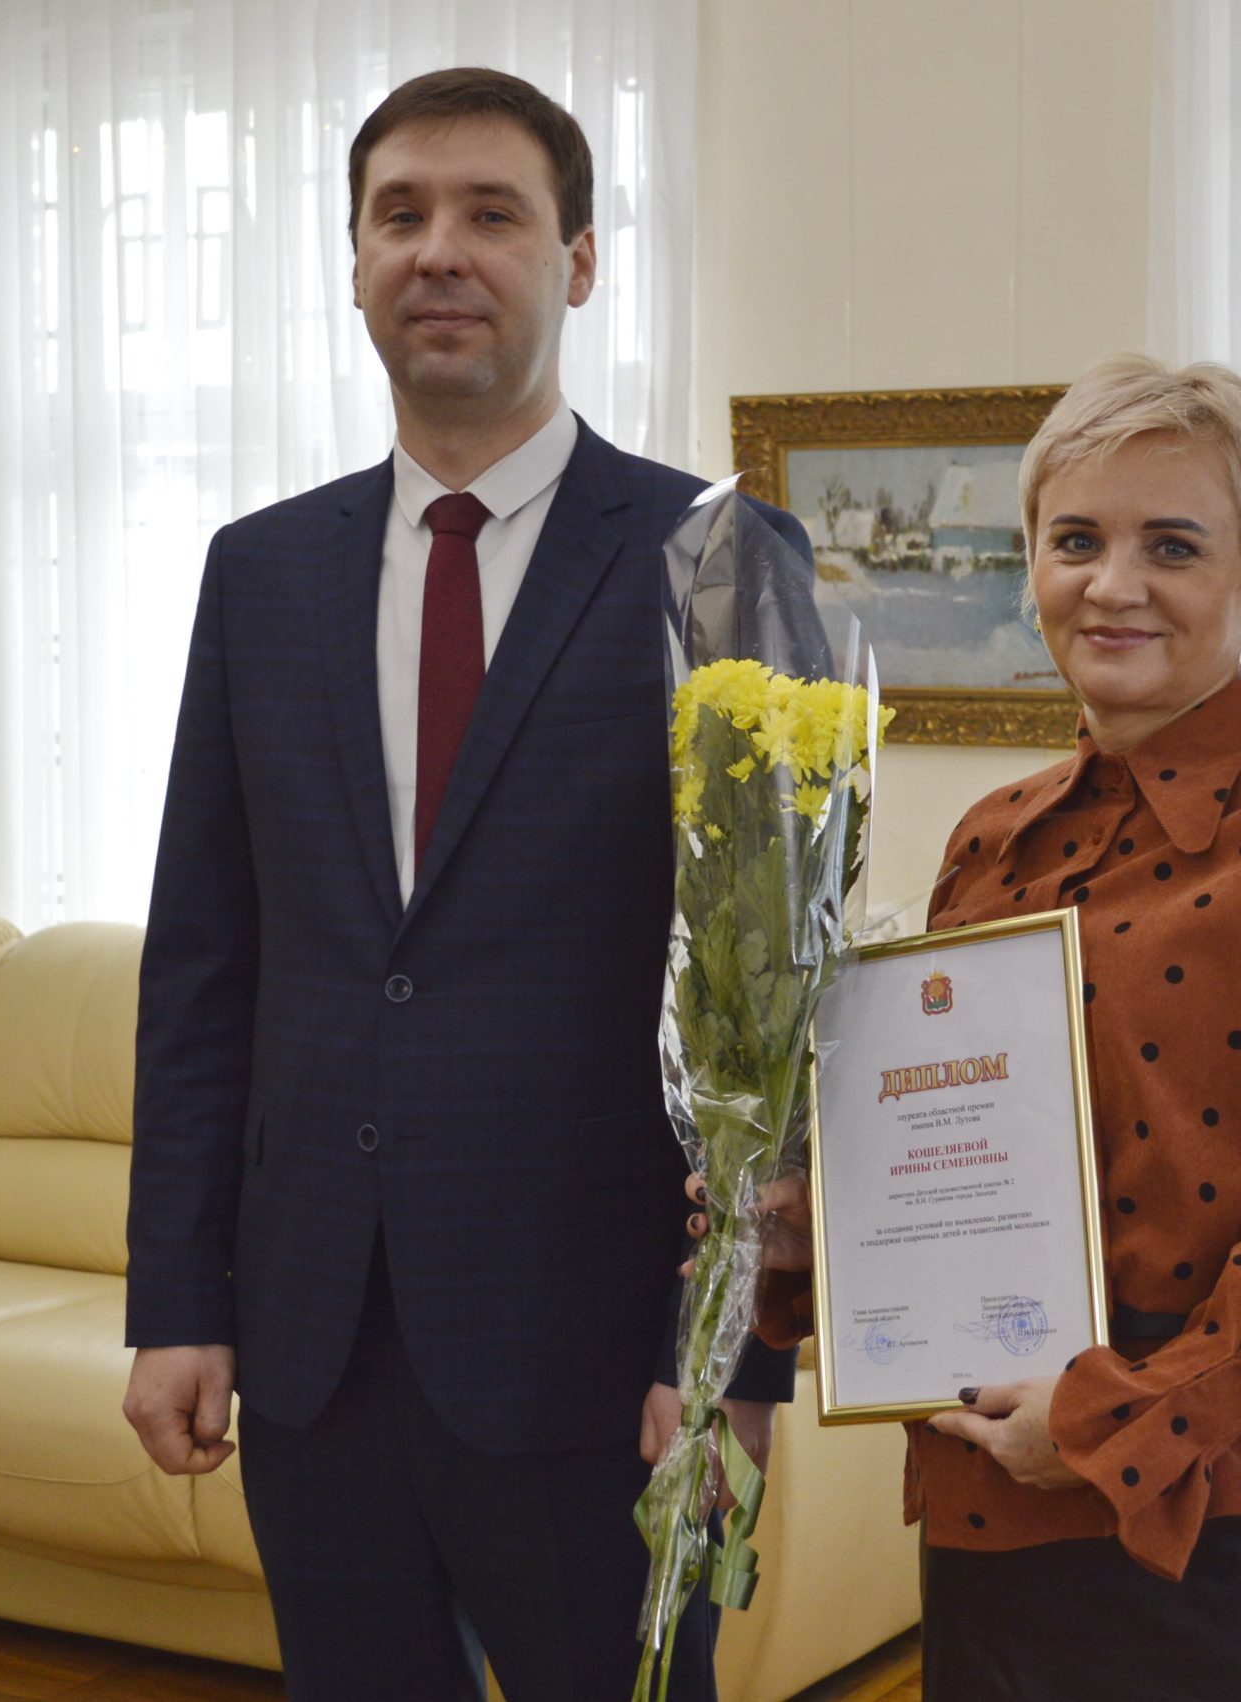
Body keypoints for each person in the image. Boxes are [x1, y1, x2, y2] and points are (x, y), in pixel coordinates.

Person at [122, 67, 797, 1702]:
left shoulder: (717, 562)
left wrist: (727, 1354)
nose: (440, 249)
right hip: (314, 1349)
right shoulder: (258, 573)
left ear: (579, 259)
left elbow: (771, 1010)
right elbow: (204, 964)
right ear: (353, 262)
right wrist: (178, 1298)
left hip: (597, 1364)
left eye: (492, 213)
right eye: (400, 215)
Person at [712, 353, 1241, 1700]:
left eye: (1172, 546)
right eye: (1075, 540)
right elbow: (980, 1174)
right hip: (990, 1504)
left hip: (1233, 1528)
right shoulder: (991, 840)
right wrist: (821, 1239)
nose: (1112, 583)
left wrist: (1113, 1419)